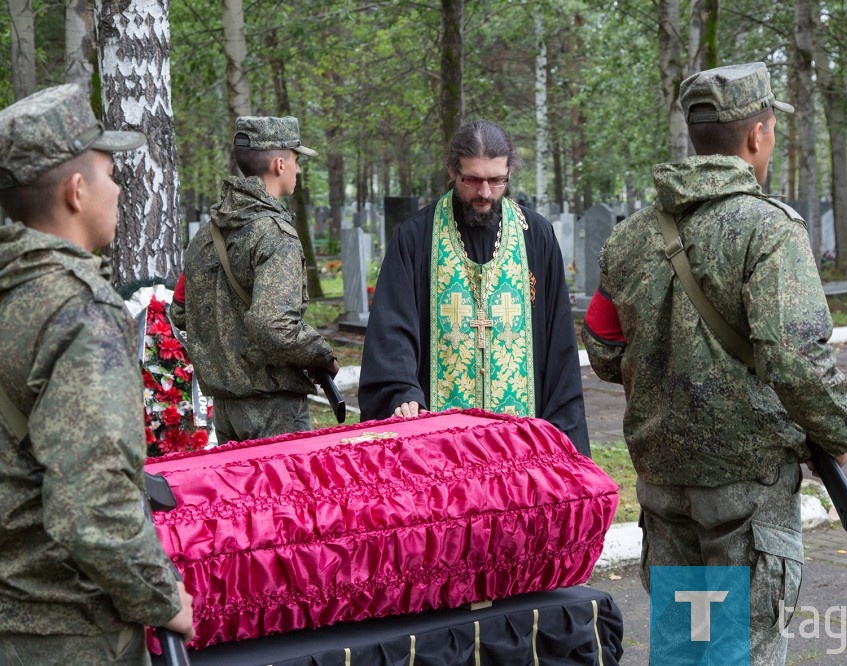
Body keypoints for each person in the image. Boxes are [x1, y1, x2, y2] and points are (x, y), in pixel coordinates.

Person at [581, 63, 847, 663]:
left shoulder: (631, 237)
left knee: (686, 650)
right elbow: (796, 357)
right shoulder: (770, 231)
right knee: (741, 651)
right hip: (745, 493)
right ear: (758, 135)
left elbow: (602, 348)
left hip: (665, 486)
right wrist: (838, 430)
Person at [0, 84, 194, 664]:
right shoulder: (79, 309)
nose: (120, 190)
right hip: (65, 630)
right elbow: (92, 508)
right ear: (76, 191)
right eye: (111, 174)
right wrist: (163, 599)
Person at [359, 120, 589, 455]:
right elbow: (391, 331)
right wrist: (401, 391)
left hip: (520, 443)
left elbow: (559, 344)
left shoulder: (536, 235)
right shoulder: (415, 237)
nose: (484, 193)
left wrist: (560, 435)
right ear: (452, 170)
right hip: (438, 446)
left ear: (509, 172)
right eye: (473, 179)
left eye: (497, 181)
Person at [170, 116, 339, 444]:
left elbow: (179, 312)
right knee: (286, 494)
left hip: (225, 408)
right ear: (279, 163)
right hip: (274, 408)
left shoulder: (208, 234)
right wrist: (321, 354)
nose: (298, 170)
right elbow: (272, 324)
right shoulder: (275, 234)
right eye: (296, 159)